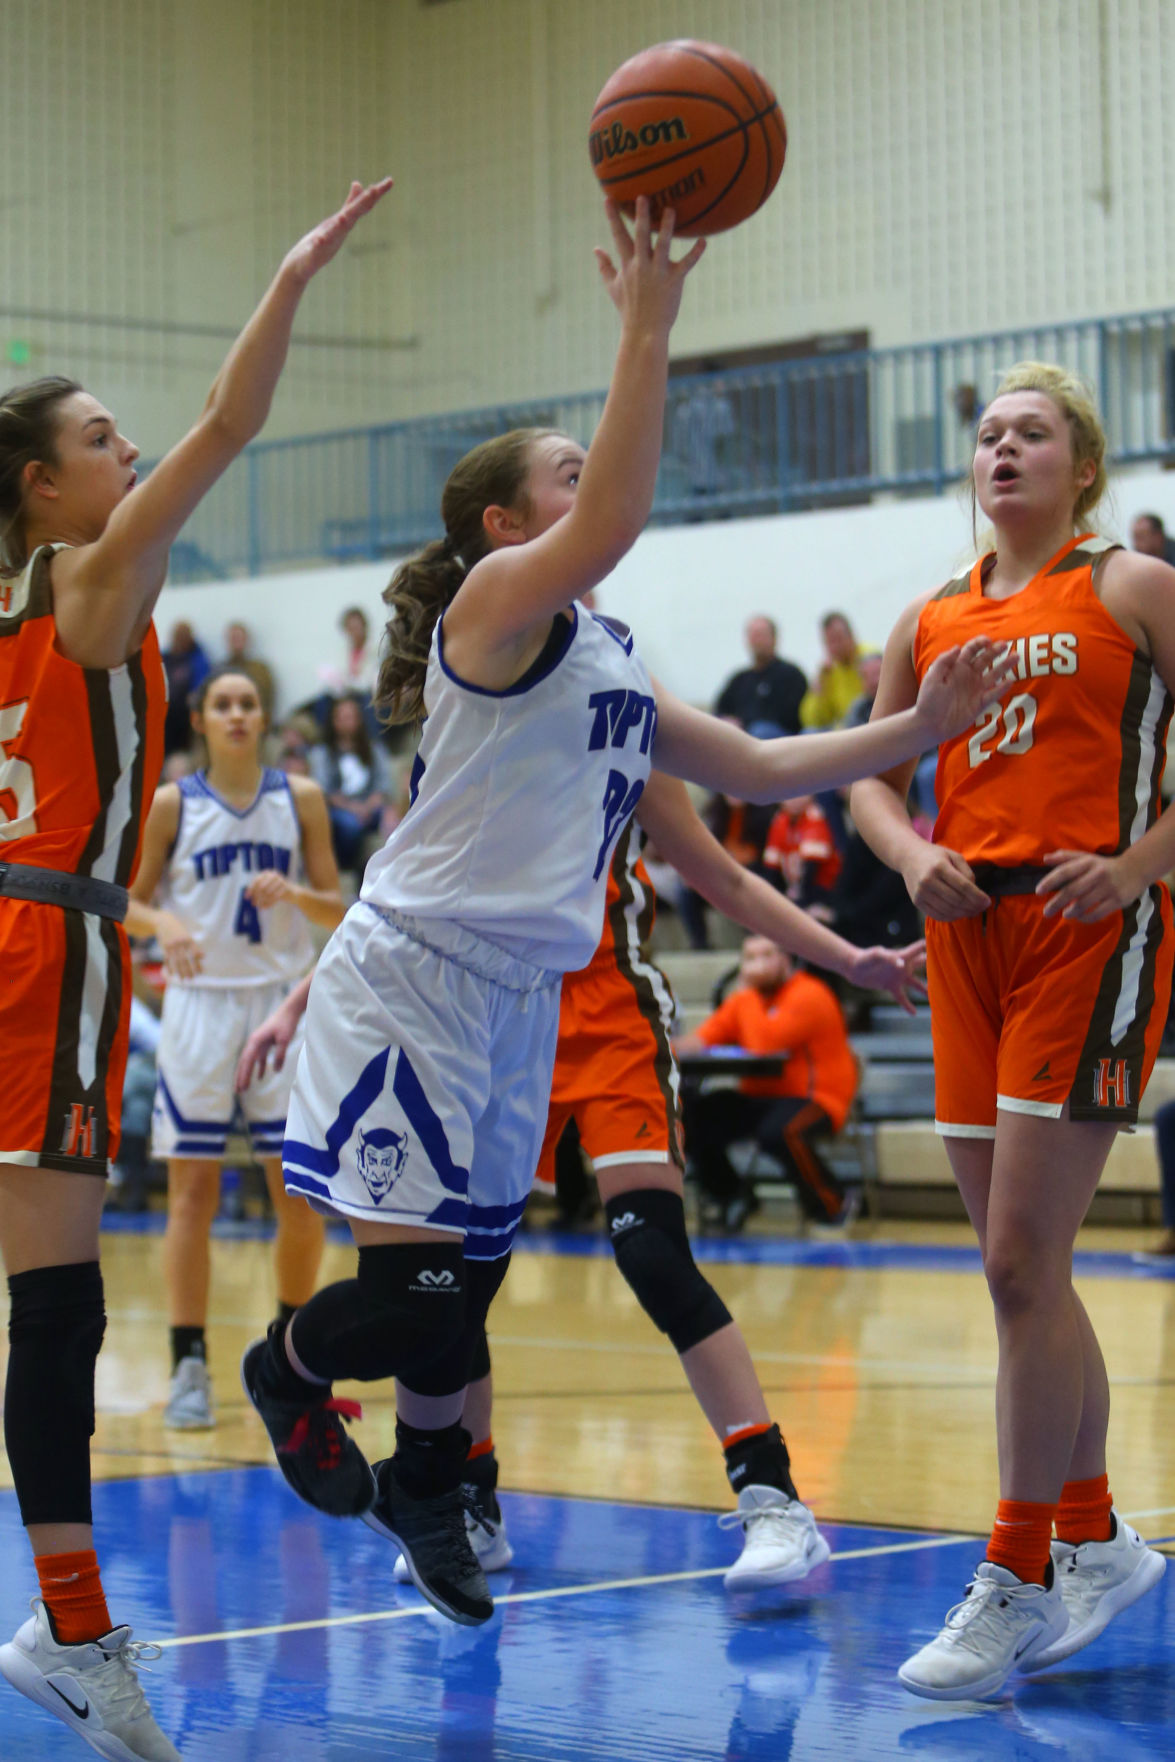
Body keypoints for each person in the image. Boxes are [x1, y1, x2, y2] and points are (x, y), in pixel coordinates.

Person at [234, 198, 1004, 1638]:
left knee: (457, 1305)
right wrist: (646, 325)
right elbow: (619, 515)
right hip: (412, 982)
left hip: (522, 1003)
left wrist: (912, 733)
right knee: (409, 1311)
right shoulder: (492, 609)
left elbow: (760, 779)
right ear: (501, 523)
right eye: (565, 475)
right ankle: (284, 1369)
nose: (593, 489)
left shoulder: (616, 663)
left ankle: (426, 1483)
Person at [0, 174, 392, 1760]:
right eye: (102, 440)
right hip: (44, 945)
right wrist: (290, 274)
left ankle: (71, 1624)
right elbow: (232, 425)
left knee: (47, 1303)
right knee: (50, 1309)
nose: (132, 451)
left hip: (27, 930)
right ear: (44, 488)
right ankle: (76, 1635)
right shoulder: (93, 584)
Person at [238, 769, 925, 1592]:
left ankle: (771, 1493)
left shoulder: (620, 716)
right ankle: (470, 1502)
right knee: (461, 1288)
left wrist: (848, 960)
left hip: (606, 1018)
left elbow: (726, 871)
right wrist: (297, 1004)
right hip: (490, 1016)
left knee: (653, 1254)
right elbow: (401, 897)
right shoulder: (469, 724)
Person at [851, 360, 1173, 1701]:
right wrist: (905, 845)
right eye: (985, 434)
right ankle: (1092, 1534)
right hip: (960, 927)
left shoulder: (1132, 586)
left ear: (1078, 466)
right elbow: (861, 771)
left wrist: (1141, 861)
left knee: (1013, 1258)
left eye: (1028, 433)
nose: (1000, 449)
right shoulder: (927, 613)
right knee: (1015, 1277)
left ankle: (1017, 1564)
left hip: (1082, 915)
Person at [125, 665, 345, 1431]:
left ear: (265, 716)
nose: (237, 713)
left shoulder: (302, 798)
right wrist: (166, 926)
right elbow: (126, 900)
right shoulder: (171, 806)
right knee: (193, 1194)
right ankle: (190, 1360)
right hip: (198, 1010)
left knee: (298, 1195)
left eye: (249, 702)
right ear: (201, 718)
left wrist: (298, 896)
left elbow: (340, 907)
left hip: (278, 1009)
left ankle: (290, 1360)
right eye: (223, 704)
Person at [677, 936, 859, 1229]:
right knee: (691, 1117)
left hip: (815, 1098)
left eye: (766, 955)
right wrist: (661, 1048)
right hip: (759, 1098)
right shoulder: (745, 1001)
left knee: (781, 1132)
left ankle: (833, 1205)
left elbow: (765, 1046)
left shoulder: (809, 993)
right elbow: (702, 1039)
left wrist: (746, 994)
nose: (757, 964)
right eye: (750, 958)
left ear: (786, 960)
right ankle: (732, 1195)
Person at [307, 690, 398, 875]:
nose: (348, 722)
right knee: (350, 826)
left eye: (351, 717)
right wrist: (354, 808)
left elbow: (382, 787)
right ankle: (352, 872)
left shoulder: (374, 750)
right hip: (339, 810)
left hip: (370, 807)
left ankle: (389, 874)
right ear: (333, 721)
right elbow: (325, 792)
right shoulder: (322, 753)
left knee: (393, 819)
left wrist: (368, 807)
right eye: (343, 717)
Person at [714, 615, 807, 738]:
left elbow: (793, 718)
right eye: (753, 635)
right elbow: (720, 710)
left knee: (760, 731)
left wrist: (745, 724)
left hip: (777, 740)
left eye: (761, 635)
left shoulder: (791, 675)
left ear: (774, 639)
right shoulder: (739, 679)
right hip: (741, 739)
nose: (757, 641)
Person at [761, 793, 842, 911]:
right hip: (794, 887)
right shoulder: (780, 819)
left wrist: (800, 903)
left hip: (822, 891)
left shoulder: (815, 816)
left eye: (800, 794)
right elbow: (771, 866)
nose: (794, 800)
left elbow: (812, 868)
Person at [799, 612, 866, 728]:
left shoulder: (869, 659)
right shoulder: (828, 672)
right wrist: (820, 688)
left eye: (838, 639)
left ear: (851, 636)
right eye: (830, 642)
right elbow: (812, 720)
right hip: (843, 730)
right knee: (809, 733)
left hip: (866, 723)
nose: (835, 647)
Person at [161, 619, 211, 757]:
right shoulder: (164, 657)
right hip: (165, 710)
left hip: (186, 711)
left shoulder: (198, 658)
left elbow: (203, 681)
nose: (180, 639)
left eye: (184, 636)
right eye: (178, 635)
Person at [223, 618, 276, 720]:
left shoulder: (260, 670)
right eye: (233, 638)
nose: (236, 642)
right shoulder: (219, 669)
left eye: (239, 638)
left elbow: (266, 701)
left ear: (247, 640)